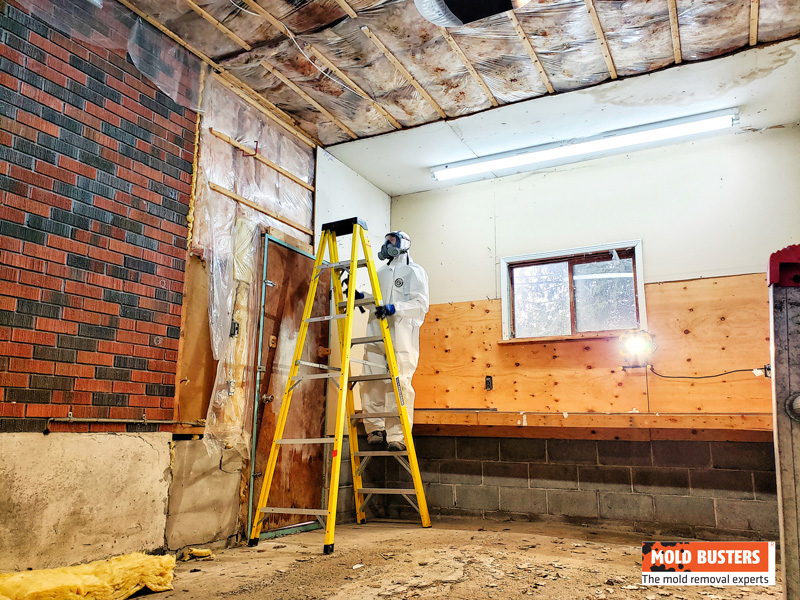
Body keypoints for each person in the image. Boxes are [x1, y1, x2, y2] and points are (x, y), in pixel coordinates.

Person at [360, 231, 429, 452]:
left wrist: (395, 308)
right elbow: (377, 303)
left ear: (404, 244)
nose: (388, 245)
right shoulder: (380, 272)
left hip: (401, 337)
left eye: (393, 241)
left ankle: (397, 435)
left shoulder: (415, 272)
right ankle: (374, 428)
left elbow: (421, 304)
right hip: (376, 332)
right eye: (387, 241)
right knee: (371, 380)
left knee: (399, 385)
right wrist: (365, 298)